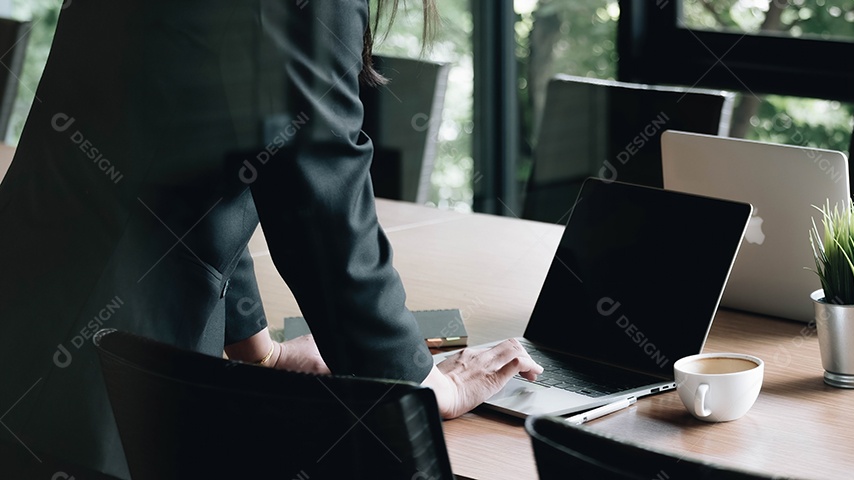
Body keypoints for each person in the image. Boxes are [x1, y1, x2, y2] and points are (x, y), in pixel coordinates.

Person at [0, 1, 541, 478]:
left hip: (38, 316)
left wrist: (260, 348)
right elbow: (316, 183)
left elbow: (204, 150)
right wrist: (422, 383)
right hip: (100, 379)